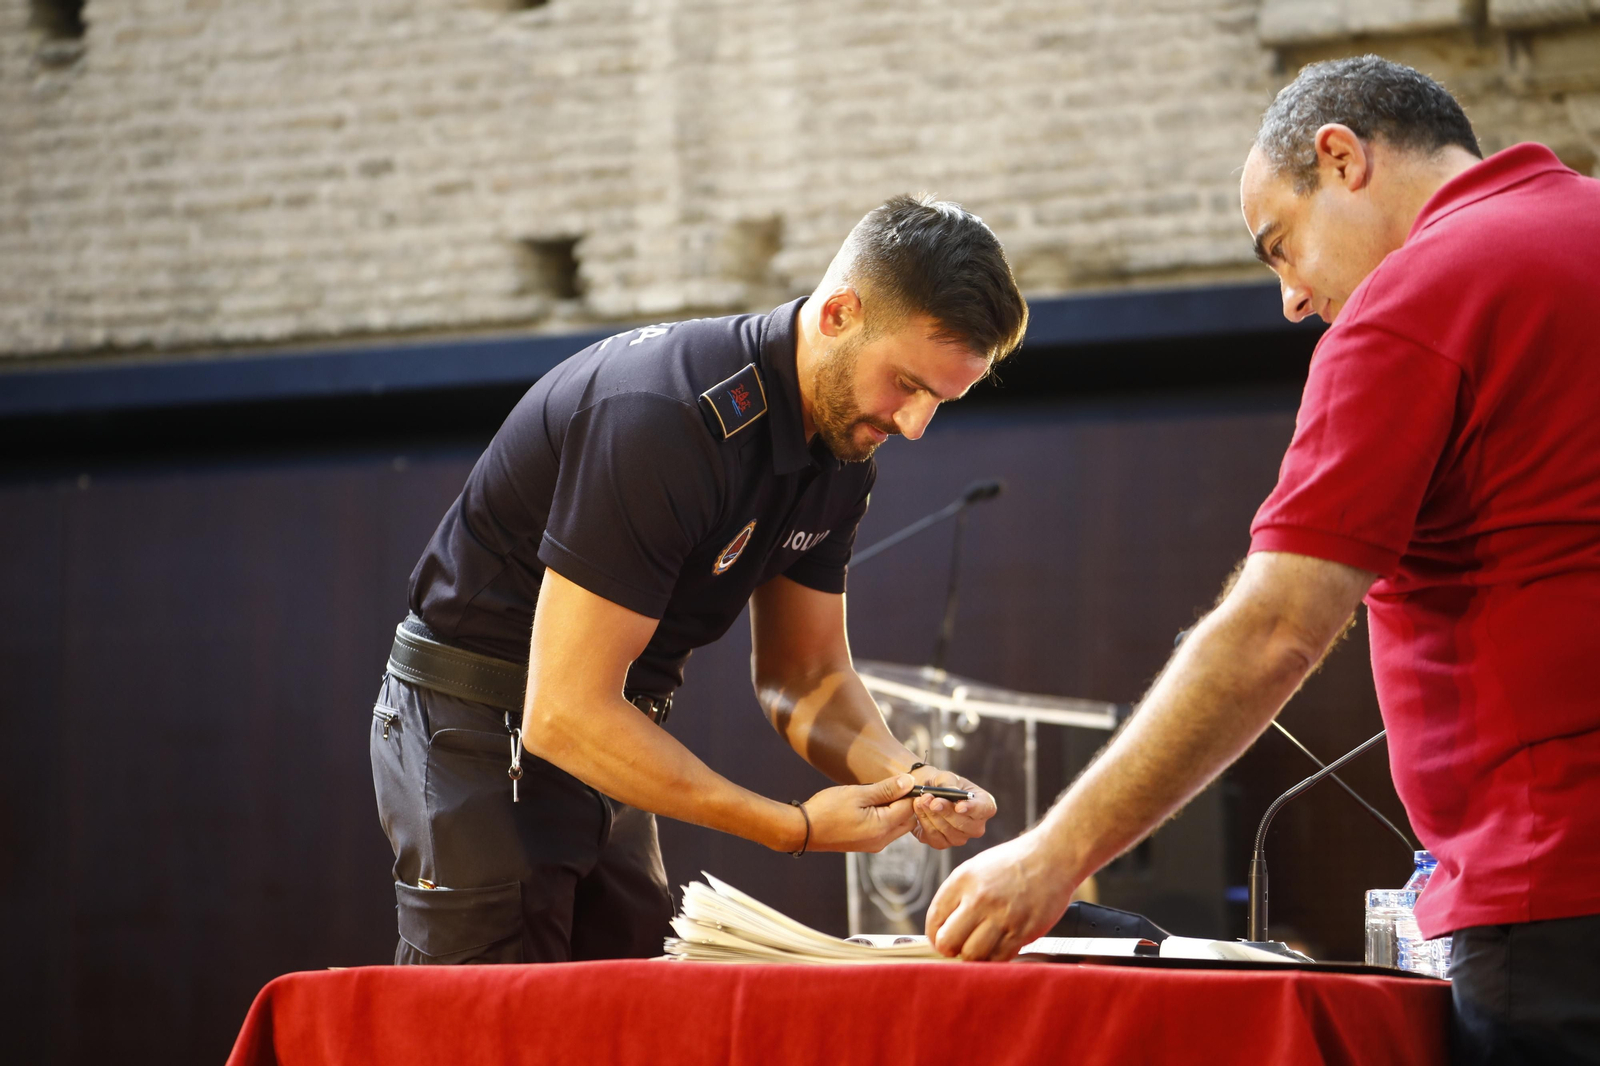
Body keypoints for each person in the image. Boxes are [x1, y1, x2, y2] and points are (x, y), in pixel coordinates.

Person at [926, 56, 1600, 1064]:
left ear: (1341, 159)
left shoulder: (1416, 297)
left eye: (1281, 244)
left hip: (1560, 899)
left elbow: (1276, 626)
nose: (1290, 299)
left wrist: (1052, 857)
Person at [370, 194, 1022, 965]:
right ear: (839, 313)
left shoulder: (846, 452)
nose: (913, 425)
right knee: (495, 1016)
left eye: (939, 401)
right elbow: (563, 713)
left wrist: (909, 779)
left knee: (634, 1005)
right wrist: (792, 828)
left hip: (611, 733)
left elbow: (804, 674)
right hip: (478, 732)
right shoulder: (664, 418)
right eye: (907, 385)